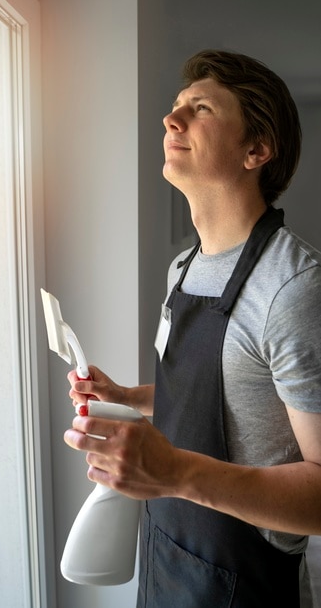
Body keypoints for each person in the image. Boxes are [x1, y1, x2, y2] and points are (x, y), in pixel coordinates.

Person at [64, 49, 321, 607]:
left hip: (243, 580)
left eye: (200, 108)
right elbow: (226, 397)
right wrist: (125, 397)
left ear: (256, 149)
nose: (170, 119)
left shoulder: (296, 288)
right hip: (165, 552)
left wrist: (177, 472)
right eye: (176, 107)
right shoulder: (183, 268)